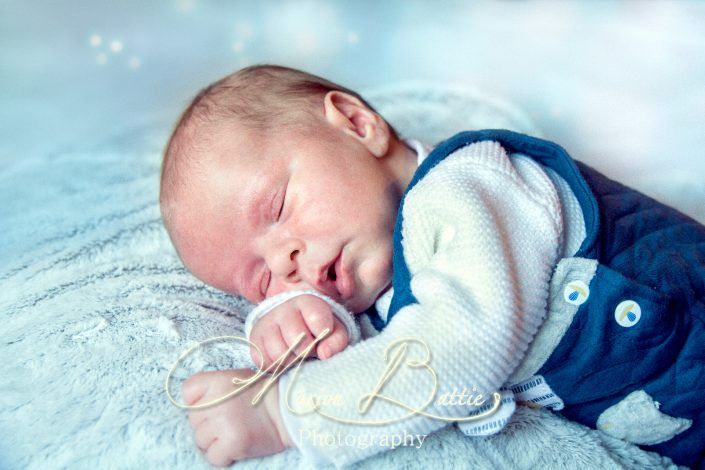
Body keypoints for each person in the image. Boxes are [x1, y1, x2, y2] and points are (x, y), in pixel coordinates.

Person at [159, 65, 705, 468]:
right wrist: (294, 318)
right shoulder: (375, 255)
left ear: (355, 124)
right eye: (261, 280)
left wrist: (288, 412)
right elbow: (396, 322)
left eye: (277, 208)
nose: (287, 261)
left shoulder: (467, 189)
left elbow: (454, 347)